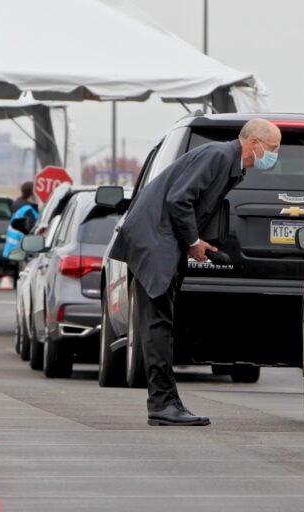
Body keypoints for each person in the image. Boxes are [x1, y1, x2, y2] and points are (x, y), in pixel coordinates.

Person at [112, 118, 282, 426]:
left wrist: (198, 242)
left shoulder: (230, 164)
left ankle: (167, 402)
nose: (275, 155)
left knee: (162, 323)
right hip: (155, 241)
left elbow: (190, 204)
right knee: (157, 325)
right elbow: (180, 200)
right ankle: (162, 405)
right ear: (254, 143)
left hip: (163, 241)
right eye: (273, 148)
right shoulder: (218, 156)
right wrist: (192, 241)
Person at [2, 182, 39, 259]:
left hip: (14, 249)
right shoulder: (28, 210)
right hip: (23, 250)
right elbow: (31, 230)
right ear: (33, 193)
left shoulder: (19, 207)